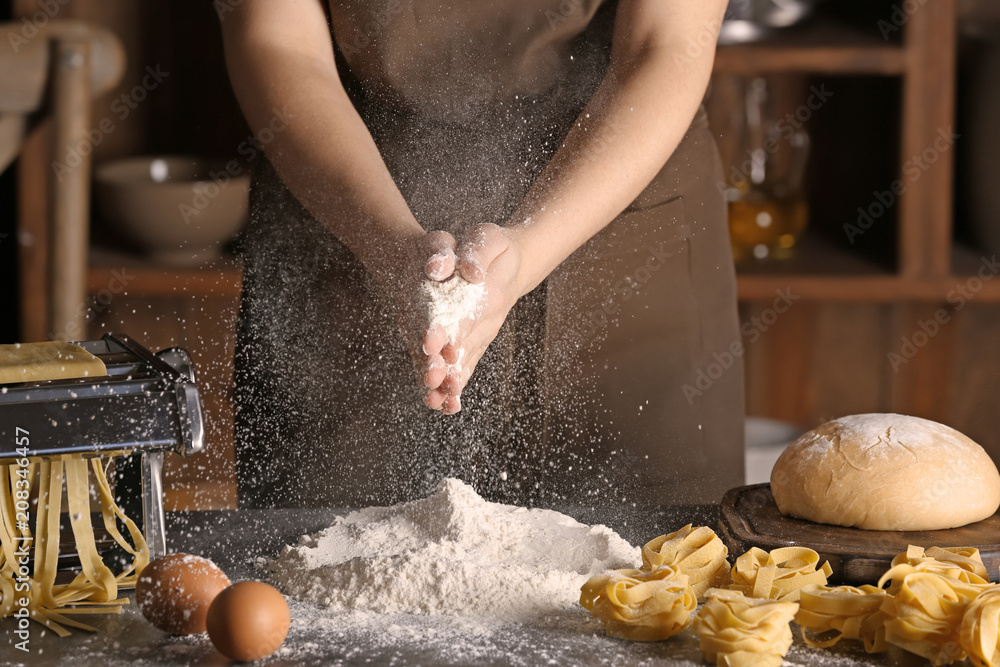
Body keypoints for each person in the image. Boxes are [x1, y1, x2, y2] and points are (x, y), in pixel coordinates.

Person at [221, 0, 744, 509]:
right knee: (323, 566)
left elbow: (666, 43)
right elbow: (278, 42)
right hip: (347, 206)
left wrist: (532, 245)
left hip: (619, 224)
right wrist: (390, 247)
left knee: (656, 575)